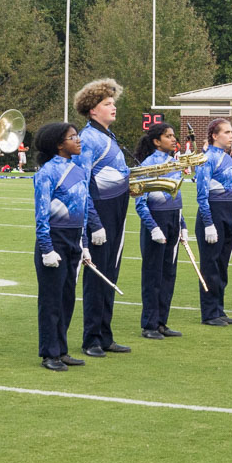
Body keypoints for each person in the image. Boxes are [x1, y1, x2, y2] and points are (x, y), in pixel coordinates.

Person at [72, 79, 132, 358]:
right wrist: (93, 223)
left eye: (113, 102)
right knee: (97, 277)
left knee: (110, 273)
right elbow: (82, 183)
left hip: (117, 209)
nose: (113, 107)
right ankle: (91, 339)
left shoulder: (108, 136)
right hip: (101, 212)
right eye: (107, 104)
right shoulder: (89, 138)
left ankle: (105, 334)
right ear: (92, 110)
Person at [32, 123, 92, 371]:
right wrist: (46, 248)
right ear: (59, 144)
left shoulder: (77, 168)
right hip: (54, 239)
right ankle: (49, 353)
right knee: (52, 299)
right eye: (72, 137)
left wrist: (84, 244)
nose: (78, 140)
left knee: (67, 298)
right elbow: (41, 214)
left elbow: (84, 211)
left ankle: (62, 348)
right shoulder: (47, 172)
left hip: (74, 239)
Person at [133, 123, 186, 339]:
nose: (174, 139)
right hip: (156, 221)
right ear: (157, 141)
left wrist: (182, 225)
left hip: (173, 219)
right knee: (153, 275)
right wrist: (153, 227)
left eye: (174, 136)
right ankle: (149, 324)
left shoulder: (174, 163)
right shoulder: (148, 165)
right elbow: (140, 202)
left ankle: (162, 321)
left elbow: (177, 196)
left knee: (168, 274)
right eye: (168, 136)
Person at [195, 119, 232, 326]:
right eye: (226, 132)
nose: (231, 136)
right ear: (215, 135)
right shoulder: (207, 158)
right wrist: (208, 222)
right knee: (211, 264)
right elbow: (202, 193)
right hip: (214, 211)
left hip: (230, 210)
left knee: (222, 264)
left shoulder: (227, 157)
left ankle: (219, 308)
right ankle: (209, 312)